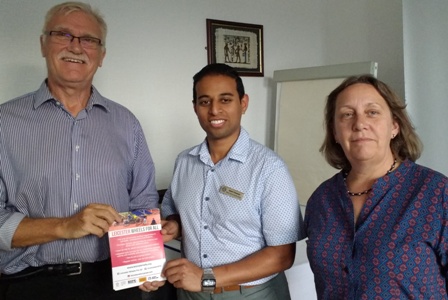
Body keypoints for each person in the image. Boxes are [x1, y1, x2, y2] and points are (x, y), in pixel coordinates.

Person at [0, 2, 159, 299]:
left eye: (88, 40)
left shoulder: (127, 123)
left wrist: (144, 264)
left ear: (101, 56)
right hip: (31, 285)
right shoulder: (4, 123)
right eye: (63, 34)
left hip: (112, 284)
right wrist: (65, 226)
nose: (76, 46)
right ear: (43, 44)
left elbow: (143, 200)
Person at [140, 63, 303, 300]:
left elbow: (282, 255)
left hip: (251, 294)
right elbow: (177, 216)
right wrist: (175, 226)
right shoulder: (184, 162)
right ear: (195, 107)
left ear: (243, 103)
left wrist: (206, 277)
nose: (214, 110)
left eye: (225, 100)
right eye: (205, 101)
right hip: (191, 294)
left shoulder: (269, 169)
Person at [304, 75, 448, 299]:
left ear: (394, 126)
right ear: (335, 133)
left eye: (372, 112)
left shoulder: (436, 193)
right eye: (347, 114)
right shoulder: (322, 200)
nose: (360, 123)